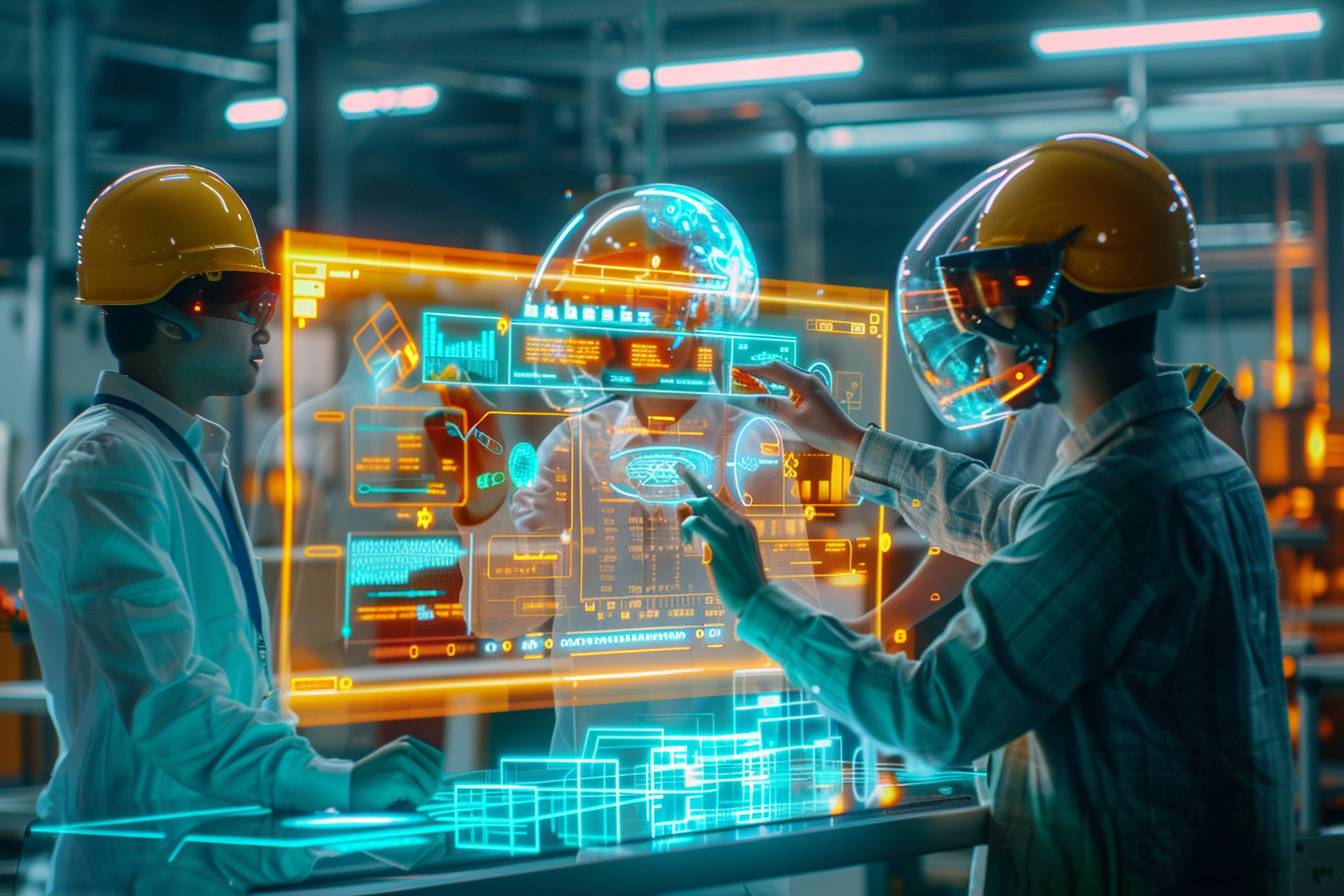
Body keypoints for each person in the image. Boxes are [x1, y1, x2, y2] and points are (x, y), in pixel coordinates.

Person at [678, 135, 1291, 893]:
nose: (974, 330)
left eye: (986, 298)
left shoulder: (1113, 504)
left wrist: (760, 605)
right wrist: (849, 441)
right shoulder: (1203, 470)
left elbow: (935, 715)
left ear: (1052, 309)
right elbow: (1010, 514)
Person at [16, 165, 443, 822]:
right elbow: (170, 702)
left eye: (264, 303)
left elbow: (240, 682)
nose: (263, 326)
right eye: (247, 301)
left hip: (212, 836)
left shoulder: (179, 455)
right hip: (143, 853)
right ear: (171, 316)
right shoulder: (103, 470)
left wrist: (304, 790)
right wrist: (336, 784)